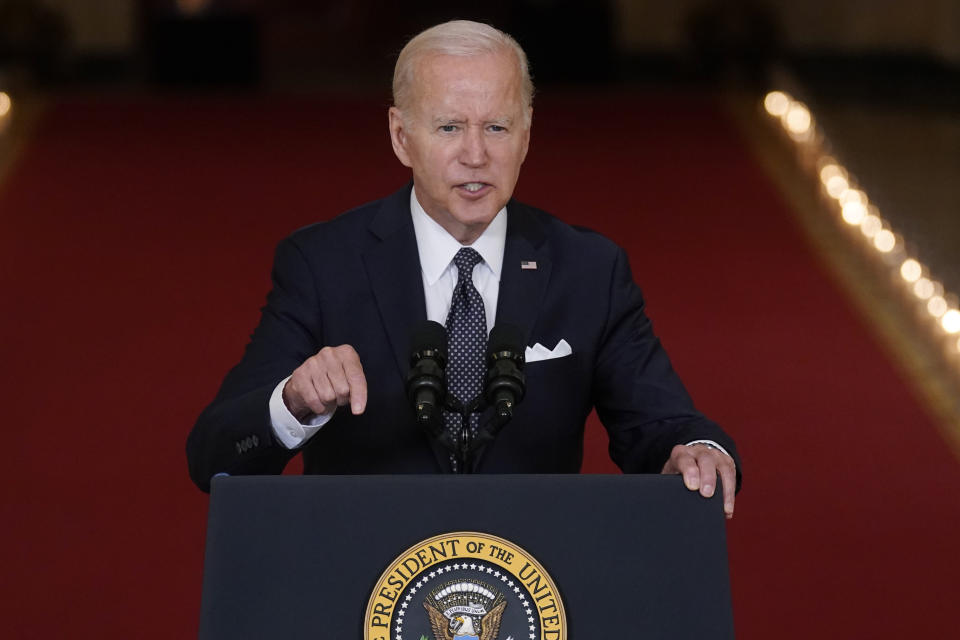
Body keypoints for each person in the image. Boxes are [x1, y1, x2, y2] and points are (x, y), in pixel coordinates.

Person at [186, 20, 741, 516]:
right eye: (450, 127)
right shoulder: (323, 264)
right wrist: (293, 401)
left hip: (533, 580)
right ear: (402, 138)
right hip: (368, 578)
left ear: (526, 134)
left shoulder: (589, 268)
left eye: (496, 128)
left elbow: (662, 426)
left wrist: (697, 452)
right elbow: (214, 455)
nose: (476, 155)